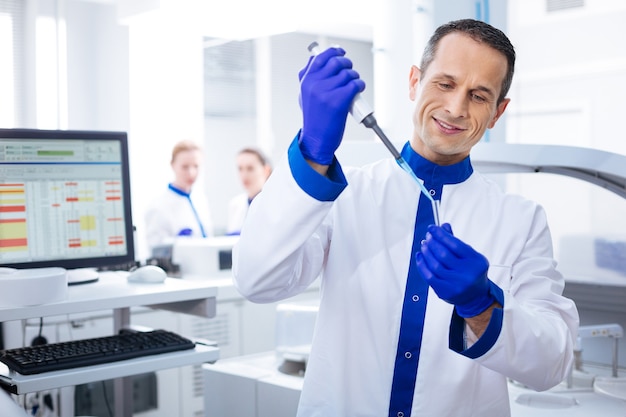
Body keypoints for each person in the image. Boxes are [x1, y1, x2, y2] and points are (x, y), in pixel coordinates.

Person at [233, 18, 579, 417]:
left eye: (479, 95)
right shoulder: (346, 195)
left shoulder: (521, 221)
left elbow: (553, 364)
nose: (456, 108)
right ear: (414, 81)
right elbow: (255, 279)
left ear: (499, 111)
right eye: (445, 84)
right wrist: (312, 151)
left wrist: (481, 305)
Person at [144, 140, 213, 251]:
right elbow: (155, 248)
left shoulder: (200, 199)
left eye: (196, 166)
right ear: (172, 165)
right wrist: (177, 243)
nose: (191, 172)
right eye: (185, 167)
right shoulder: (158, 206)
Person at [226, 147, 272, 235]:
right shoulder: (235, 204)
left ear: (266, 170)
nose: (244, 175)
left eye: (250, 168)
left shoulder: (274, 203)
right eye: (240, 169)